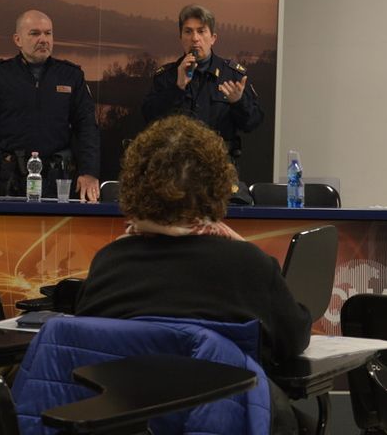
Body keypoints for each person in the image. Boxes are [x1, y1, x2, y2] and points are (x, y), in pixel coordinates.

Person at [75, 115, 311, 434]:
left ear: (134, 185)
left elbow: (85, 350)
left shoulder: (108, 263)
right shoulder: (248, 263)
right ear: (217, 186)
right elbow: (293, 338)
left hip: (124, 421)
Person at [0, 9, 101, 202]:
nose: (43, 39)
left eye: (48, 33)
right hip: (6, 181)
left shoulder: (71, 76)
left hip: (57, 183)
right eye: (35, 33)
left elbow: (87, 127)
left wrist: (89, 172)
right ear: (18, 39)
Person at [142, 4, 263, 160]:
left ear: (213, 38)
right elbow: (150, 117)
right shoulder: (166, 76)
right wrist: (177, 88)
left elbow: (252, 123)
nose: (195, 38)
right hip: (176, 164)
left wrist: (238, 102)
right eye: (188, 31)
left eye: (201, 31)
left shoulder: (232, 75)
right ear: (180, 38)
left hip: (219, 164)